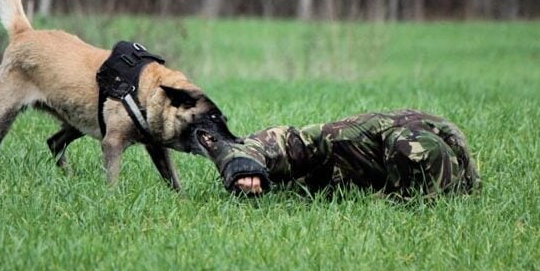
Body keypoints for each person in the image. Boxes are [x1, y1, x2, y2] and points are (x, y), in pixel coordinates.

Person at [204, 109, 481, 197]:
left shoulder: (452, 167)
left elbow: (426, 212)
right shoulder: (342, 139)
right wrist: (242, 165)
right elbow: (283, 141)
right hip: (334, 168)